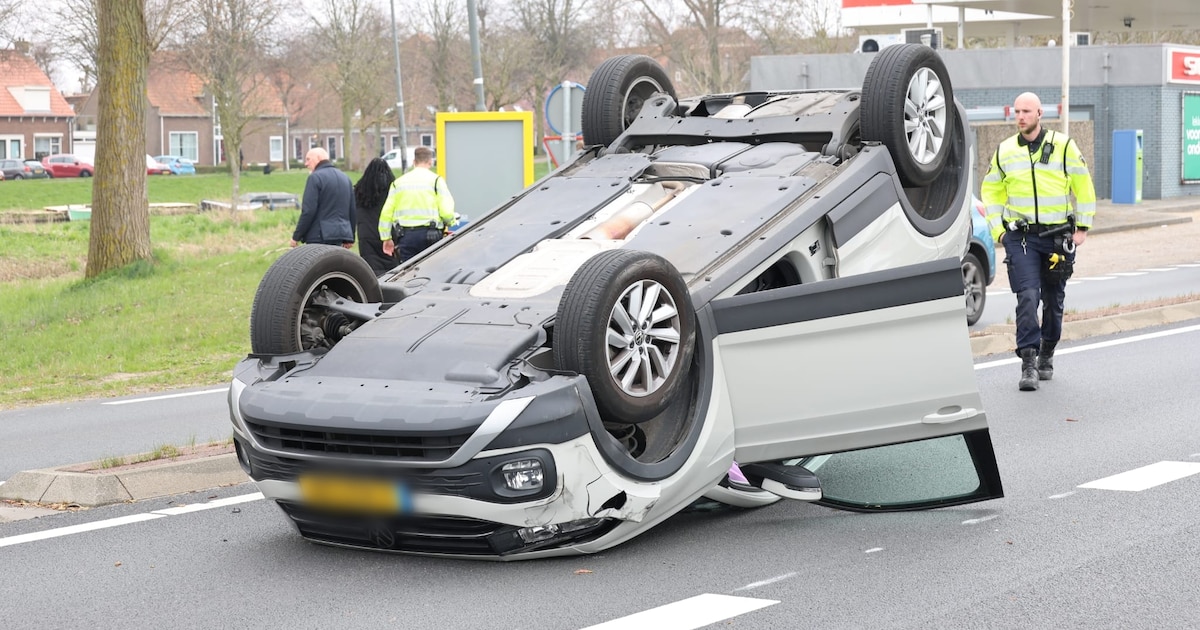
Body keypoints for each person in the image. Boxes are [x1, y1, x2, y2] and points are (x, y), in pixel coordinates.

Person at [981, 92, 1096, 392]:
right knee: (1027, 296)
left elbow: (1084, 187)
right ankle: (1028, 362)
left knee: (1054, 302)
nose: (1020, 117)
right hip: (1021, 238)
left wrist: (1082, 227)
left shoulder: (1064, 146)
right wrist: (1000, 231)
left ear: (1040, 114)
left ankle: (1048, 351)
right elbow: (990, 192)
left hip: (1058, 237)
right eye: (1017, 111)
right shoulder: (1004, 151)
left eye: (1026, 111)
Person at [379, 146, 456, 262]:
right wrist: (450, 221)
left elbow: (386, 213)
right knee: (433, 270)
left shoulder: (398, 183)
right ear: (430, 162)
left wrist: (386, 238)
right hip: (431, 235)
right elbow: (446, 212)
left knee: (409, 273)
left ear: (414, 162)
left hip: (405, 236)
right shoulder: (436, 181)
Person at [291, 147, 356, 249]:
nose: (306, 164)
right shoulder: (345, 178)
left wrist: (296, 236)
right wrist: (350, 236)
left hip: (319, 235)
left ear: (319, 158)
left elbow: (309, 210)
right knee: (334, 264)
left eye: (308, 159)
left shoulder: (315, 178)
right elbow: (352, 209)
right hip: (341, 235)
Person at [354, 157, 398, 275]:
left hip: (366, 233)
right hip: (388, 234)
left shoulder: (359, 190)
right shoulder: (393, 189)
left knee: (371, 268)